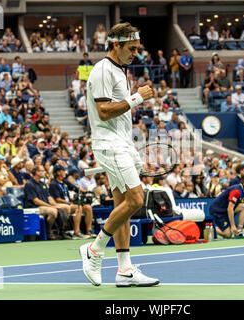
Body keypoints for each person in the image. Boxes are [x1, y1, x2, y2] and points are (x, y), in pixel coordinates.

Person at [79, 22, 159, 288]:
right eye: (132, 48)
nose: (136, 53)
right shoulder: (102, 70)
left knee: (122, 206)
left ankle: (124, 270)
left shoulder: (121, 72)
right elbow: (103, 111)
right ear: (116, 44)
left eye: (137, 48)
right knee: (136, 198)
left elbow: (119, 112)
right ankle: (94, 248)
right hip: (109, 144)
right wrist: (137, 98)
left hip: (122, 143)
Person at [209, 172, 244, 238]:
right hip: (218, 211)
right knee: (228, 234)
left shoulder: (242, 190)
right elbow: (230, 208)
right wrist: (233, 225)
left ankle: (239, 231)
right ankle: (208, 228)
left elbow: (240, 209)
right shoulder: (236, 191)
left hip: (225, 209)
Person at [24, 165, 60, 240]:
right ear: (37, 172)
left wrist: (55, 205)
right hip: (34, 207)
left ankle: (62, 232)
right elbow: (35, 201)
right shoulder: (29, 184)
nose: (44, 172)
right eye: (42, 170)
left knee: (66, 207)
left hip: (45, 206)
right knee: (53, 211)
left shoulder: (43, 184)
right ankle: (48, 232)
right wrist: (50, 206)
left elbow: (49, 197)